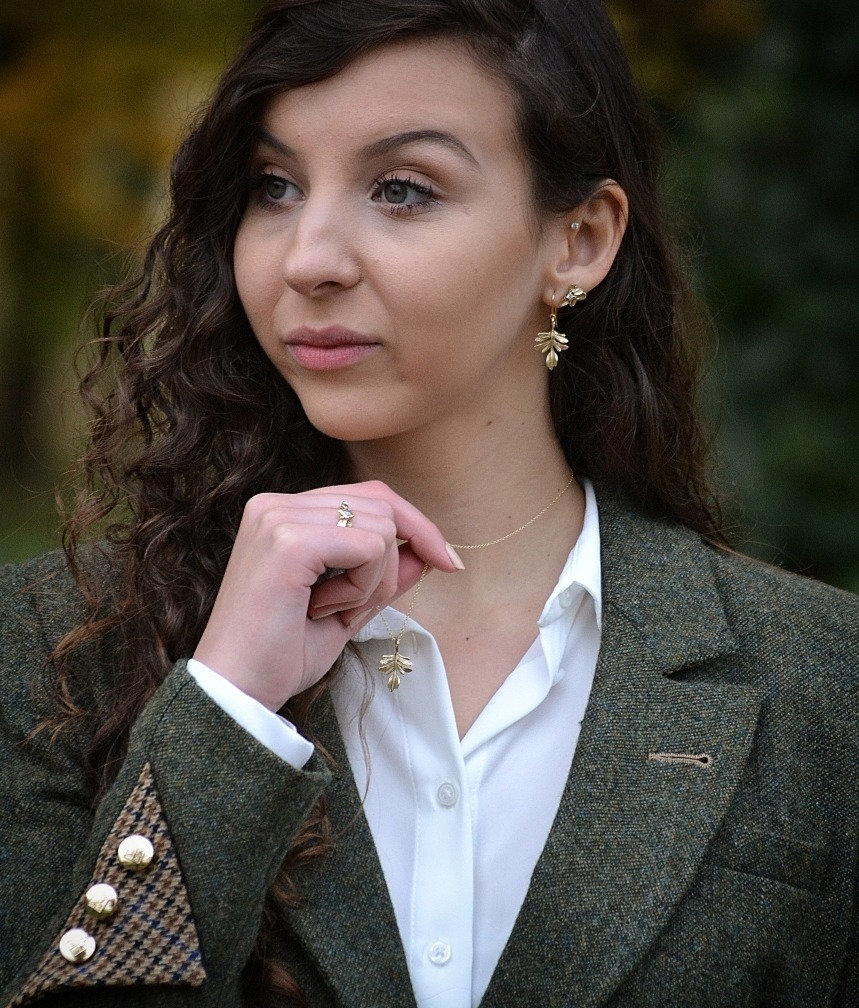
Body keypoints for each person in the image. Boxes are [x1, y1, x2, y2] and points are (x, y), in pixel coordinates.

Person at [0, 1, 855, 1006]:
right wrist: (224, 711)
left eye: (401, 189)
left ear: (576, 241)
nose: (307, 257)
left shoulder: (819, 679)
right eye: (273, 187)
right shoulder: (52, 645)